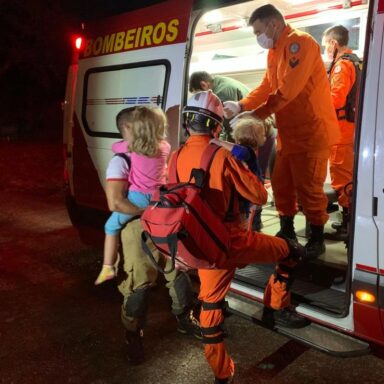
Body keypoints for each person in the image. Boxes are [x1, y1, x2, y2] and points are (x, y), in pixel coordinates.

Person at [178, 90, 308, 383]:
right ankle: (275, 308)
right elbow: (259, 195)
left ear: (187, 124)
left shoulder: (175, 156)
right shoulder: (222, 156)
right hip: (232, 241)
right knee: (291, 252)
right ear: (216, 126)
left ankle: (222, 374)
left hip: (198, 243)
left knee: (210, 307)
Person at [223, 4, 339, 259]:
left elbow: (288, 90)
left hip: (311, 132)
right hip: (289, 134)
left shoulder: (300, 43)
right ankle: (287, 231)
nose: (258, 38)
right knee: (281, 184)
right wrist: (242, 105)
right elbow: (268, 85)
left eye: (258, 31)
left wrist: (256, 115)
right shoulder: (275, 52)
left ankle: (316, 239)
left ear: (274, 24)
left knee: (309, 189)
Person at [102, 107, 201, 365]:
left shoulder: (156, 149)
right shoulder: (121, 159)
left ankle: (184, 318)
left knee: (177, 272)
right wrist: (148, 210)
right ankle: (132, 334)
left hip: (164, 222)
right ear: (127, 129)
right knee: (140, 283)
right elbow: (115, 203)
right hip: (138, 226)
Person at [190, 71, 276, 231]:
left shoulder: (220, 93)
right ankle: (251, 217)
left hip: (257, 134)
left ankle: (254, 221)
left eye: (198, 94)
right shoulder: (223, 83)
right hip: (254, 131)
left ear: (203, 85)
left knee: (253, 178)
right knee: (252, 175)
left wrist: (215, 143)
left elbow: (223, 126)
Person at [95, 107, 170, 285]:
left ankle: (108, 267)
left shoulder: (133, 147)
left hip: (139, 197)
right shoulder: (165, 146)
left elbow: (115, 146)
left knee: (110, 227)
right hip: (159, 196)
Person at [321, 25, 359, 241]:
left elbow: (335, 98)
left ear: (334, 44)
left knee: (341, 177)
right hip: (349, 129)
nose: (326, 49)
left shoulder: (341, 66)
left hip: (341, 131)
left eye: (326, 45)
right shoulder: (355, 62)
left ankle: (348, 223)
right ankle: (348, 219)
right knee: (347, 176)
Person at [210, 116, 266, 229]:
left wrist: (220, 142)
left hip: (247, 200)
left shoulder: (247, 151)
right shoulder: (250, 150)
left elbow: (240, 152)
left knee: (244, 225)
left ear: (239, 137)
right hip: (251, 195)